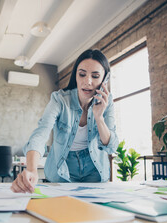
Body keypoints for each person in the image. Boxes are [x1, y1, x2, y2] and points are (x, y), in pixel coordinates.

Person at [11, 49, 119, 193]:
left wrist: (99, 118)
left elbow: (111, 146)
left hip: (95, 170)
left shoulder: (107, 102)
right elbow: (41, 134)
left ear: (104, 80)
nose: (87, 81)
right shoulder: (60, 100)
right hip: (62, 169)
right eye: (82, 74)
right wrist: (31, 170)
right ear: (76, 76)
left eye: (95, 76)